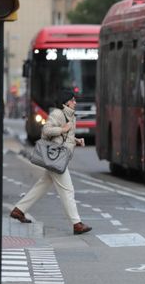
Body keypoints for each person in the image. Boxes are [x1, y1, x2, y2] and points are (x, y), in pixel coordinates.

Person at [9, 89, 92, 235]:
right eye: (73, 100)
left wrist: (76, 140)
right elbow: (46, 131)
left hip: (60, 156)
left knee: (42, 185)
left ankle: (18, 210)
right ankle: (76, 223)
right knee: (68, 190)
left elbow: (66, 137)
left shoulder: (70, 115)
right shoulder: (58, 114)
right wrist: (62, 129)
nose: (75, 102)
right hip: (56, 157)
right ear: (66, 102)